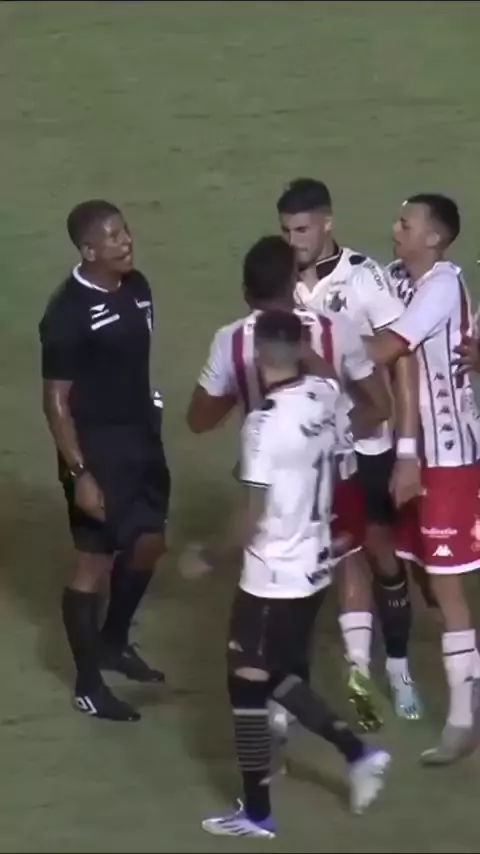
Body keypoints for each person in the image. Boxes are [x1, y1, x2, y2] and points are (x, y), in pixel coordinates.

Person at [186, 235, 391, 732]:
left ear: (245, 291)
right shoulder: (336, 329)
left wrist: (242, 393)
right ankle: (358, 668)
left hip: (273, 485)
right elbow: (379, 406)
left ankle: (279, 713)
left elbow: (199, 419)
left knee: (272, 597)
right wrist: (336, 435)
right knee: (347, 562)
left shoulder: (231, 341)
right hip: (335, 478)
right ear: (295, 283)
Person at [201, 310, 391, 839]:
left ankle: (257, 813)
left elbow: (252, 515)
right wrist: (306, 351)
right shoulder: (325, 396)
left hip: (272, 573)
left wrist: (209, 556)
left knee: (246, 682)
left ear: (260, 355)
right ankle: (359, 755)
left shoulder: (263, 424)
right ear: (301, 349)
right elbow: (348, 391)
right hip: (315, 567)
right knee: (275, 670)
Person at [277, 177, 423, 721]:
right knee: (346, 553)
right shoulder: (279, 280)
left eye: (302, 230)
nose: (294, 241)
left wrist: (406, 448)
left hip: (369, 441)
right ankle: (359, 670)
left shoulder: (364, 278)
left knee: (383, 551)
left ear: (327, 223)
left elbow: (402, 359)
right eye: (286, 231)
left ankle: (399, 666)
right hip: (316, 449)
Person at [39, 200, 170, 722]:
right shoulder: (67, 313)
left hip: (142, 439)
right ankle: (88, 685)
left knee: (150, 542)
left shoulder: (139, 287)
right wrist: (79, 473)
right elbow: (55, 401)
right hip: (96, 449)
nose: (125, 241)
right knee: (93, 561)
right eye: (112, 236)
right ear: (88, 250)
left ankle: (114, 641)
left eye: (125, 231)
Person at [364, 193, 480, 763]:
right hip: (409, 452)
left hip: (450, 458)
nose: (395, 228)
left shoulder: (441, 286)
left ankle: (462, 721)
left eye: (406, 223)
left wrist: (319, 351)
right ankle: (470, 678)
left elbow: (388, 346)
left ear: (434, 238)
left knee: (446, 581)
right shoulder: (394, 278)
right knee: (423, 574)